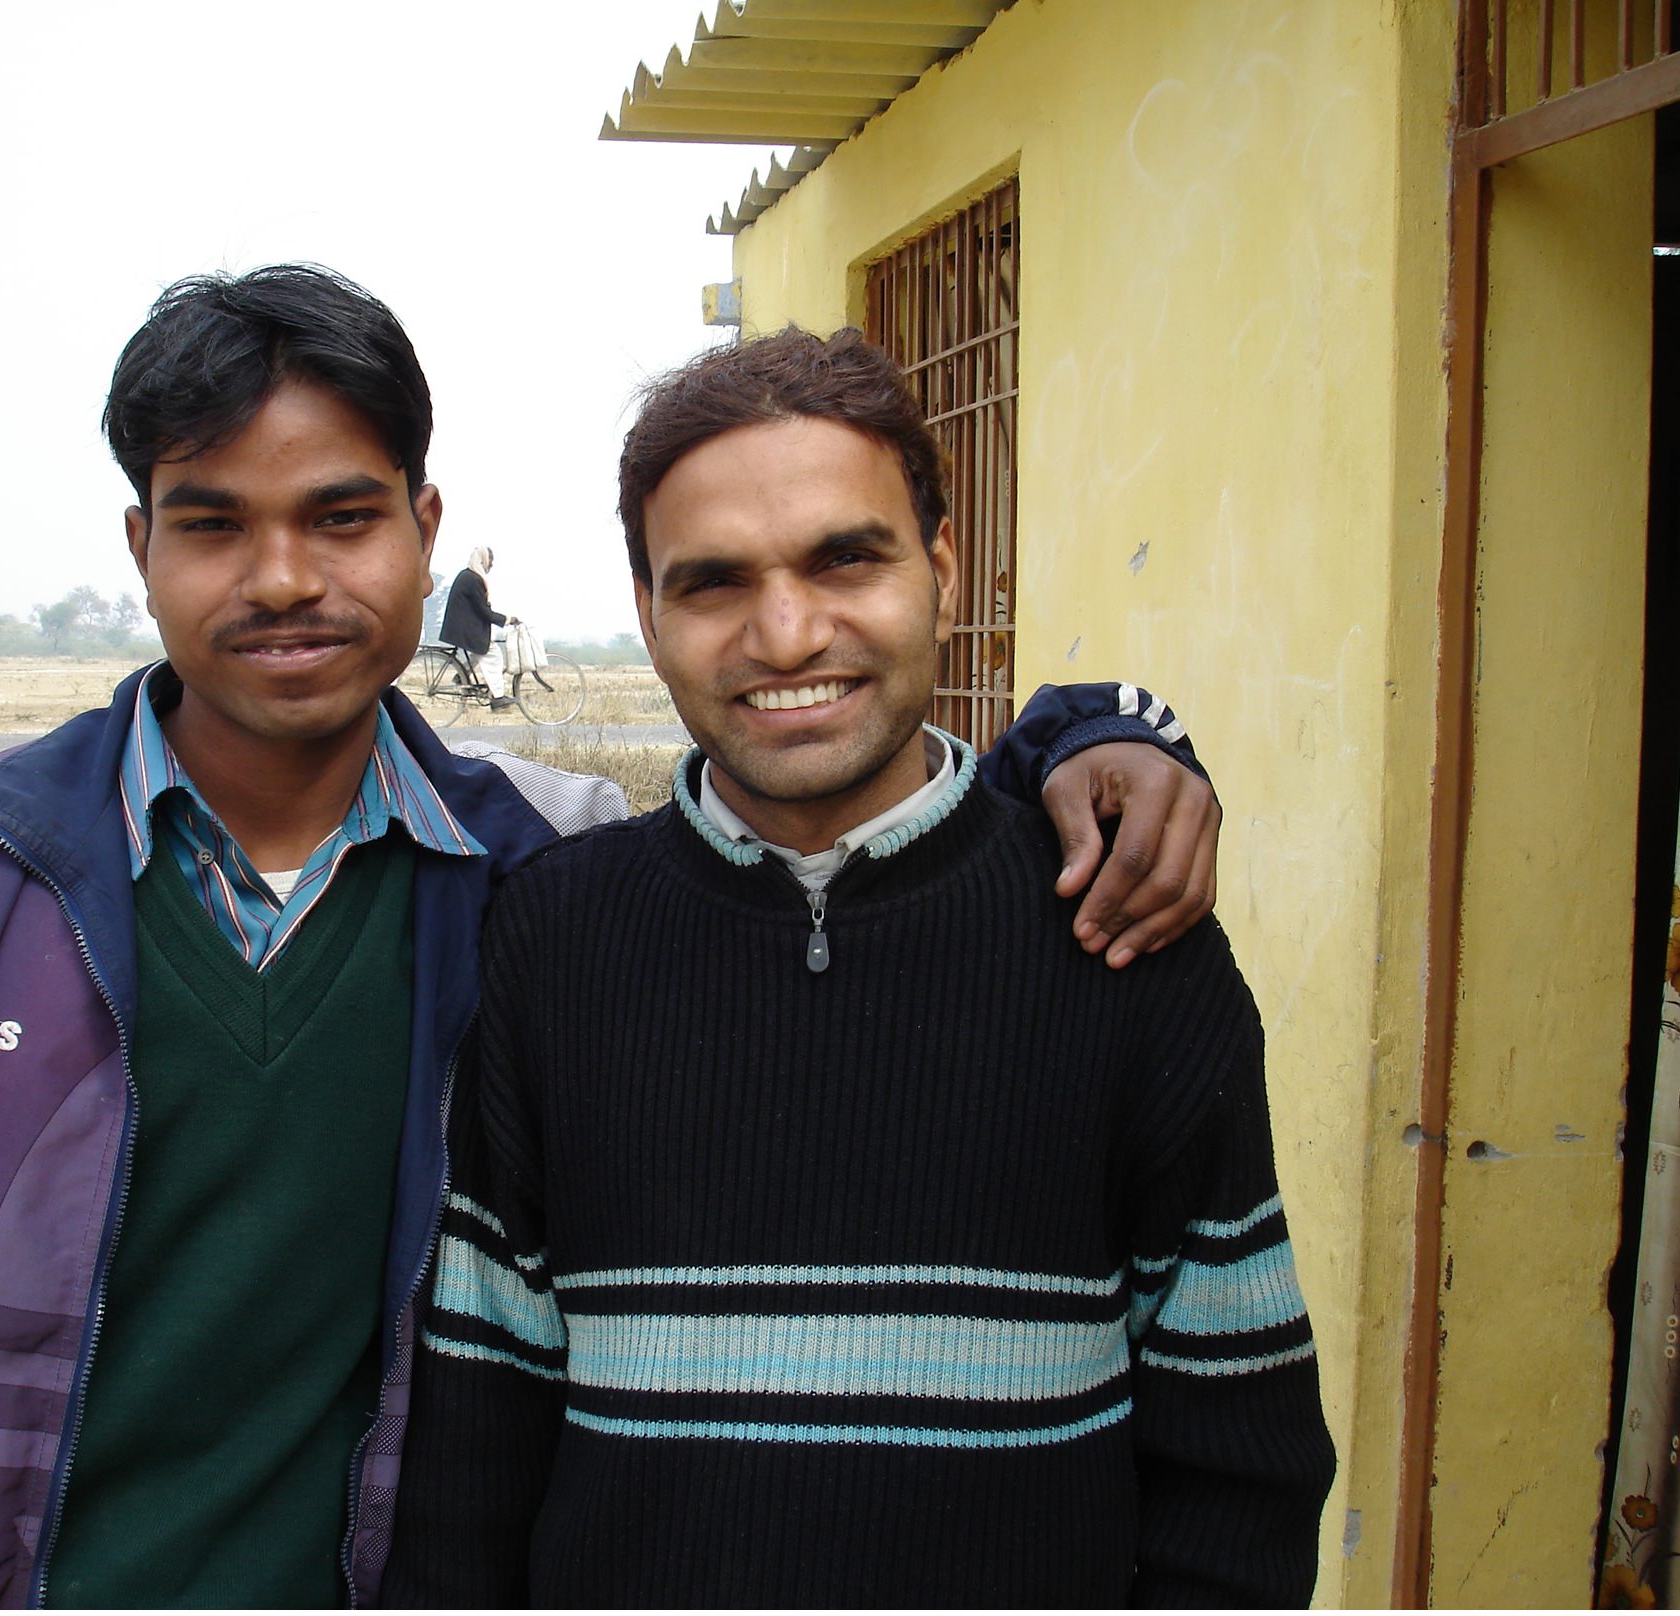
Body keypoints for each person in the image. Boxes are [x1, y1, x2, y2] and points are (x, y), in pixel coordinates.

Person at [0, 270, 1227, 1610]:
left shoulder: (541, 880)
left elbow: (826, 836)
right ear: (139, 551)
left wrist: (1089, 739)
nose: (282, 580)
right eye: (211, 524)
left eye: (339, 515)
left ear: (422, 525)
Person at [382, 329, 1337, 1607]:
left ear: (938, 566)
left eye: (846, 557)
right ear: (650, 615)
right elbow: (477, 1442)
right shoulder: (553, 938)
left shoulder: (1122, 927)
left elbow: (1237, 1459)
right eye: (714, 581)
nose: (787, 632)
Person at [439, 545, 514, 709]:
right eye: (490, 560)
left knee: (479, 652)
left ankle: (462, 675)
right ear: (483, 560)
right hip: (466, 630)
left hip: (462, 628)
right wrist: (507, 620)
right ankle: (498, 698)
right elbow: (484, 612)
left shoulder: (467, 576)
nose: (492, 564)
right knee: (493, 655)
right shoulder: (474, 580)